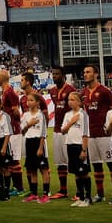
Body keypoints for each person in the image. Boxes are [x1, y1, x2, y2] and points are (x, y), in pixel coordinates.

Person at [80, 66, 112, 203]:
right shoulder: (83, 93)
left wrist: (110, 127)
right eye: (84, 72)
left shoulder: (105, 91)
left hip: (104, 134)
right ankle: (100, 194)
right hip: (91, 134)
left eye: (88, 72)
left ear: (96, 74)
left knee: (111, 165)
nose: (85, 74)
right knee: (96, 165)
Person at [0, 69, 25, 196]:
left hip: (13, 129)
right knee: (11, 158)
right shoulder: (5, 91)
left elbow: (16, 111)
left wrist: (16, 123)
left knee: (14, 159)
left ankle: (19, 188)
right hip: (9, 129)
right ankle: (15, 186)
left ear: (3, 77)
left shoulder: (9, 92)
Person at [48, 67, 77, 199]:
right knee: (60, 162)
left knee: (73, 161)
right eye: (53, 74)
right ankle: (63, 190)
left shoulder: (71, 90)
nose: (55, 76)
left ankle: (79, 191)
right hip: (56, 130)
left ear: (63, 75)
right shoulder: (52, 91)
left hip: (69, 131)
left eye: (57, 74)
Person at [60, 92, 91, 207]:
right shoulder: (68, 115)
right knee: (76, 173)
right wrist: (71, 122)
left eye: (73, 99)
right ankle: (80, 197)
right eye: (69, 99)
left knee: (84, 173)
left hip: (79, 146)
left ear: (79, 102)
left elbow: (85, 134)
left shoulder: (84, 115)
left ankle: (88, 198)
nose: (70, 102)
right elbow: (63, 130)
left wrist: (84, 150)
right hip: (70, 145)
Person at [20, 92, 51, 203]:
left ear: (37, 102)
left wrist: (41, 147)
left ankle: (46, 194)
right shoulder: (25, 115)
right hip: (29, 142)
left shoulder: (41, 115)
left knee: (43, 169)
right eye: (28, 100)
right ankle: (34, 194)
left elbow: (43, 132)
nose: (29, 102)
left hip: (39, 142)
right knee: (32, 169)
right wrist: (29, 124)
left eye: (31, 100)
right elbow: (22, 131)